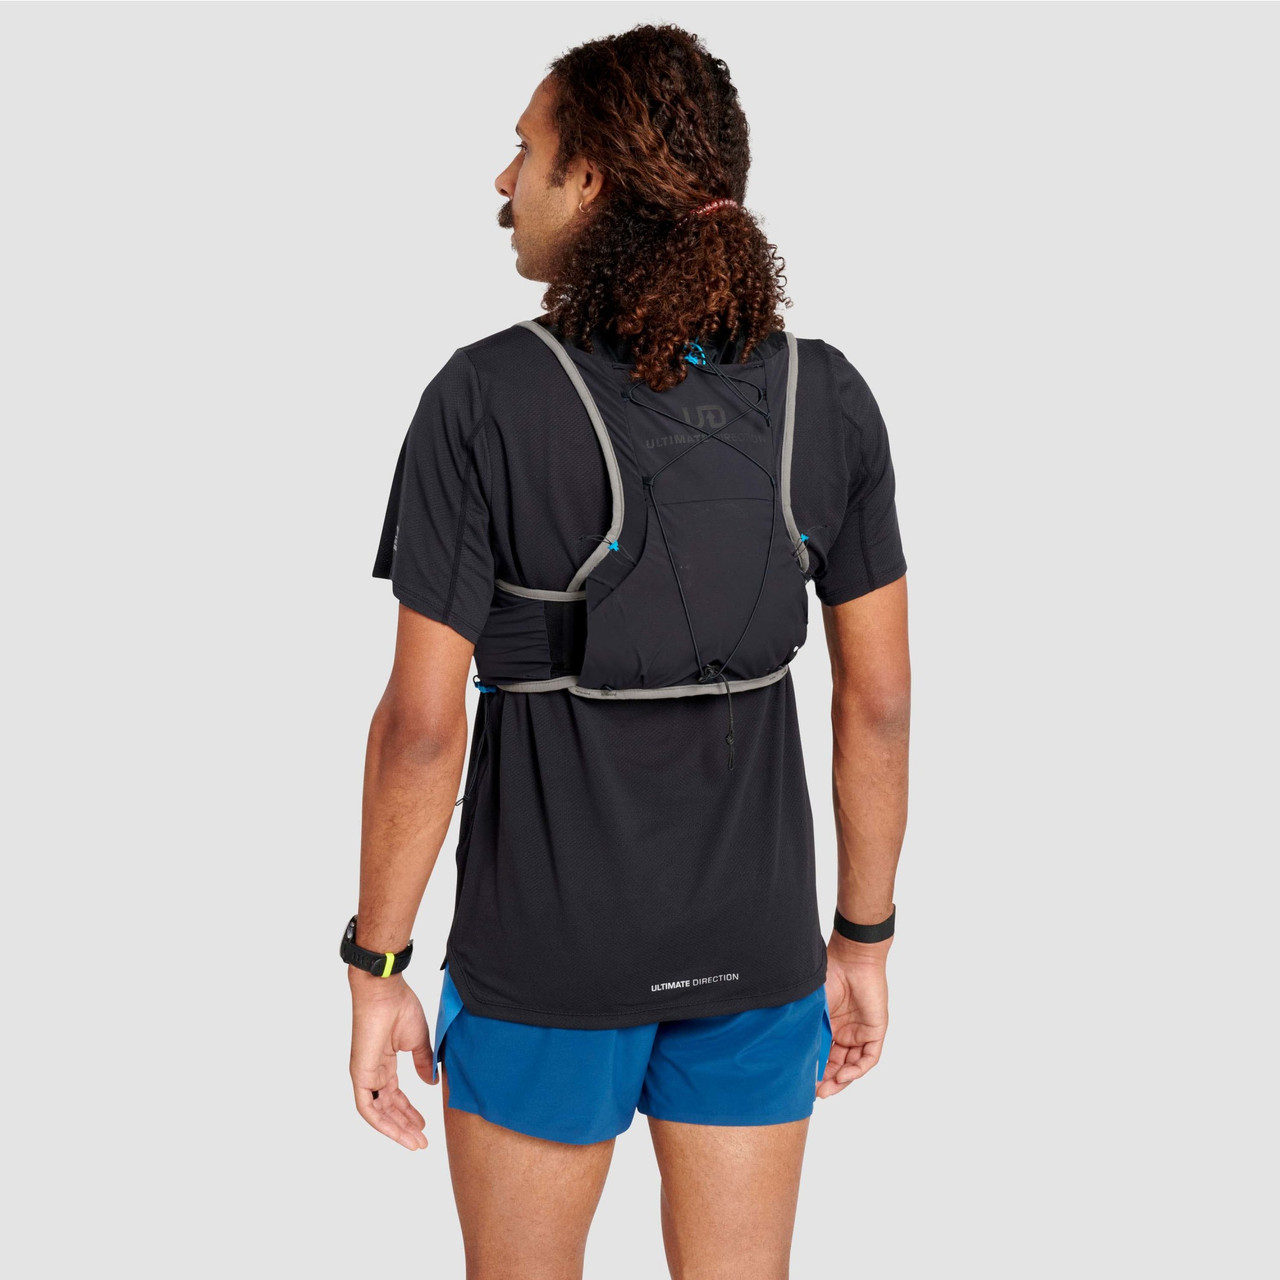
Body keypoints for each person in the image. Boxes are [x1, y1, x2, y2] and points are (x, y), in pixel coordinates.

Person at [345, 23, 910, 1279]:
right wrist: (861, 936)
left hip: (546, 962)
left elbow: (422, 728)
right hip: (756, 953)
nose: (503, 179)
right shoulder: (826, 397)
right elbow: (875, 702)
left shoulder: (484, 398)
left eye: (525, 149)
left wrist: (375, 960)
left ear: (589, 177)